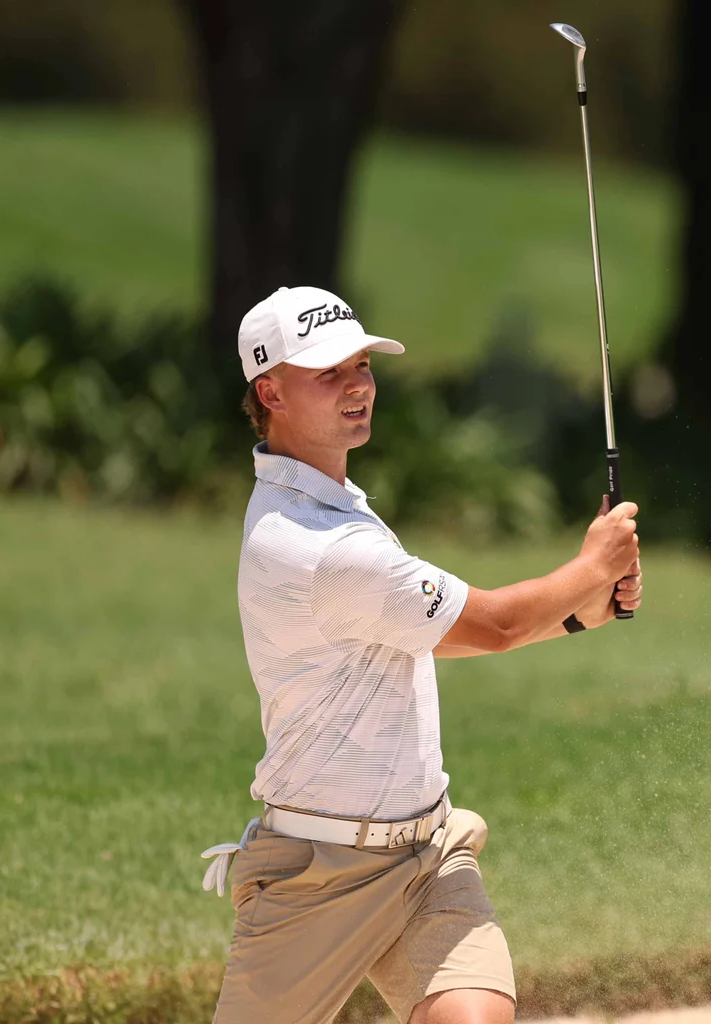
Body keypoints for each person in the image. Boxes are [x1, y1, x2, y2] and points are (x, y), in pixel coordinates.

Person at [199, 285, 642, 1024]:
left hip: (427, 855)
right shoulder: (317, 543)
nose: (357, 386)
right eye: (328, 372)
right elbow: (496, 625)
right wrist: (592, 566)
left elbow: (433, 634)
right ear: (269, 391)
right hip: (318, 875)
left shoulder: (335, 504)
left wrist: (579, 614)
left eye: (362, 365)